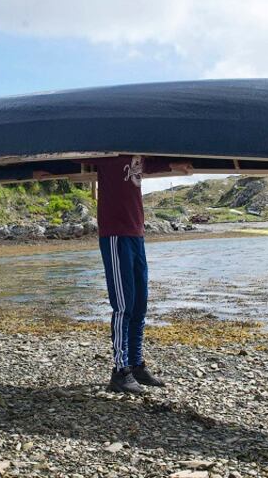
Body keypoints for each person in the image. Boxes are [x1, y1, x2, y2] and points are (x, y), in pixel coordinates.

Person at [81, 155, 192, 393]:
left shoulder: (136, 150)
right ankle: (120, 371)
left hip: (136, 233)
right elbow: (75, 154)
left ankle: (135, 364)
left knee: (140, 304)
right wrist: (42, 168)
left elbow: (146, 165)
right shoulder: (106, 151)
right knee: (123, 306)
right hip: (115, 234)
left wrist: (173, 165)